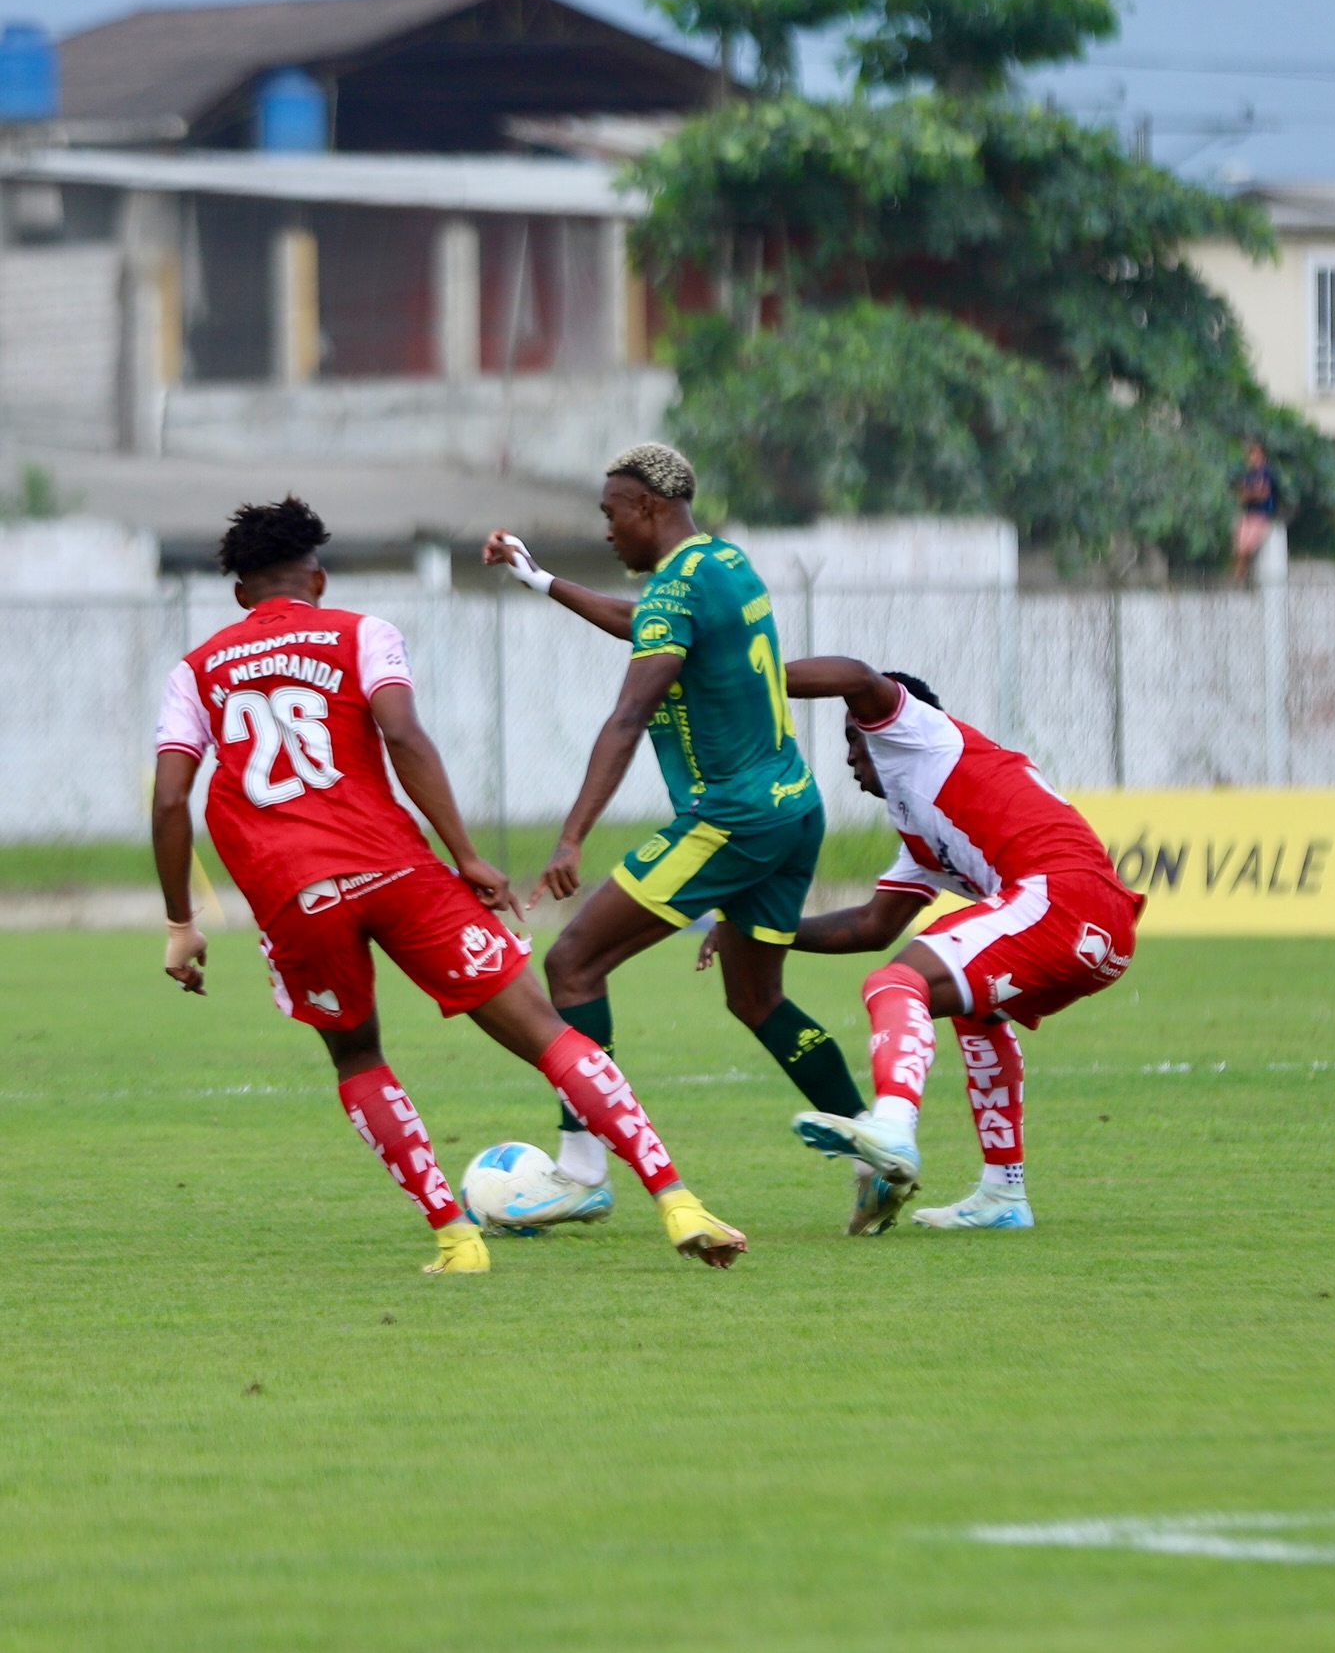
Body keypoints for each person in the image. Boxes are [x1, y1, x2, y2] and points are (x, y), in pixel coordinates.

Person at [152, 496, 745, 1274]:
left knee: (359, 1059)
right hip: (398, 870)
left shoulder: (195, 671)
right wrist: (464, 854)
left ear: (239, 593)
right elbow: (402, 735)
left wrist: (180, 924)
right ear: (319, 579)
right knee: (547, 1033)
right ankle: (678, 1201)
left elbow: (169, 800)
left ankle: (455, 1237)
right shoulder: (363, 633)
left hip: (296, 893)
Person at [483, 442, 867, 1215]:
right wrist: (538, 579)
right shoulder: (725, 564)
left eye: (610, 513)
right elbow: (640, 620)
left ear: (648, 508)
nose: (607, 530)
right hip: (794, 807)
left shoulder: (672, 593)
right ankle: (875, 1145)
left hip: (731, 818)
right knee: (757, 999)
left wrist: (570, 838)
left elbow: (628, 716)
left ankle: (582, 1170)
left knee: (574, 962)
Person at [768, 657, 1144, 1235]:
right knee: (974, 1007)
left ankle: (892, 1127)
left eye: (853, 738)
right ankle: (1003, 1192)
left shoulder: (917, 734)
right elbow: (872, 925)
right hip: (1101, 925)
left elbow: (855, 677)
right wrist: (763, 927)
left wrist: (749, 670)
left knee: (894, 983)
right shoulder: (919, 832)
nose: (849, 757)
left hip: (1062, 897)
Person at [1232, 438, 1277, 583]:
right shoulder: (1249, 475)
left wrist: (1250, 494)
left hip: (1261, 515)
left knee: (1247, 546)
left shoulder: (1266, 473)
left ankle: (1239, 577)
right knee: (1239, 546)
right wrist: (1253, 493)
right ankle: (1238, 576)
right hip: (1249, 514)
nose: (1253, 458)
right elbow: (1241, 495)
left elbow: (1263, 493)